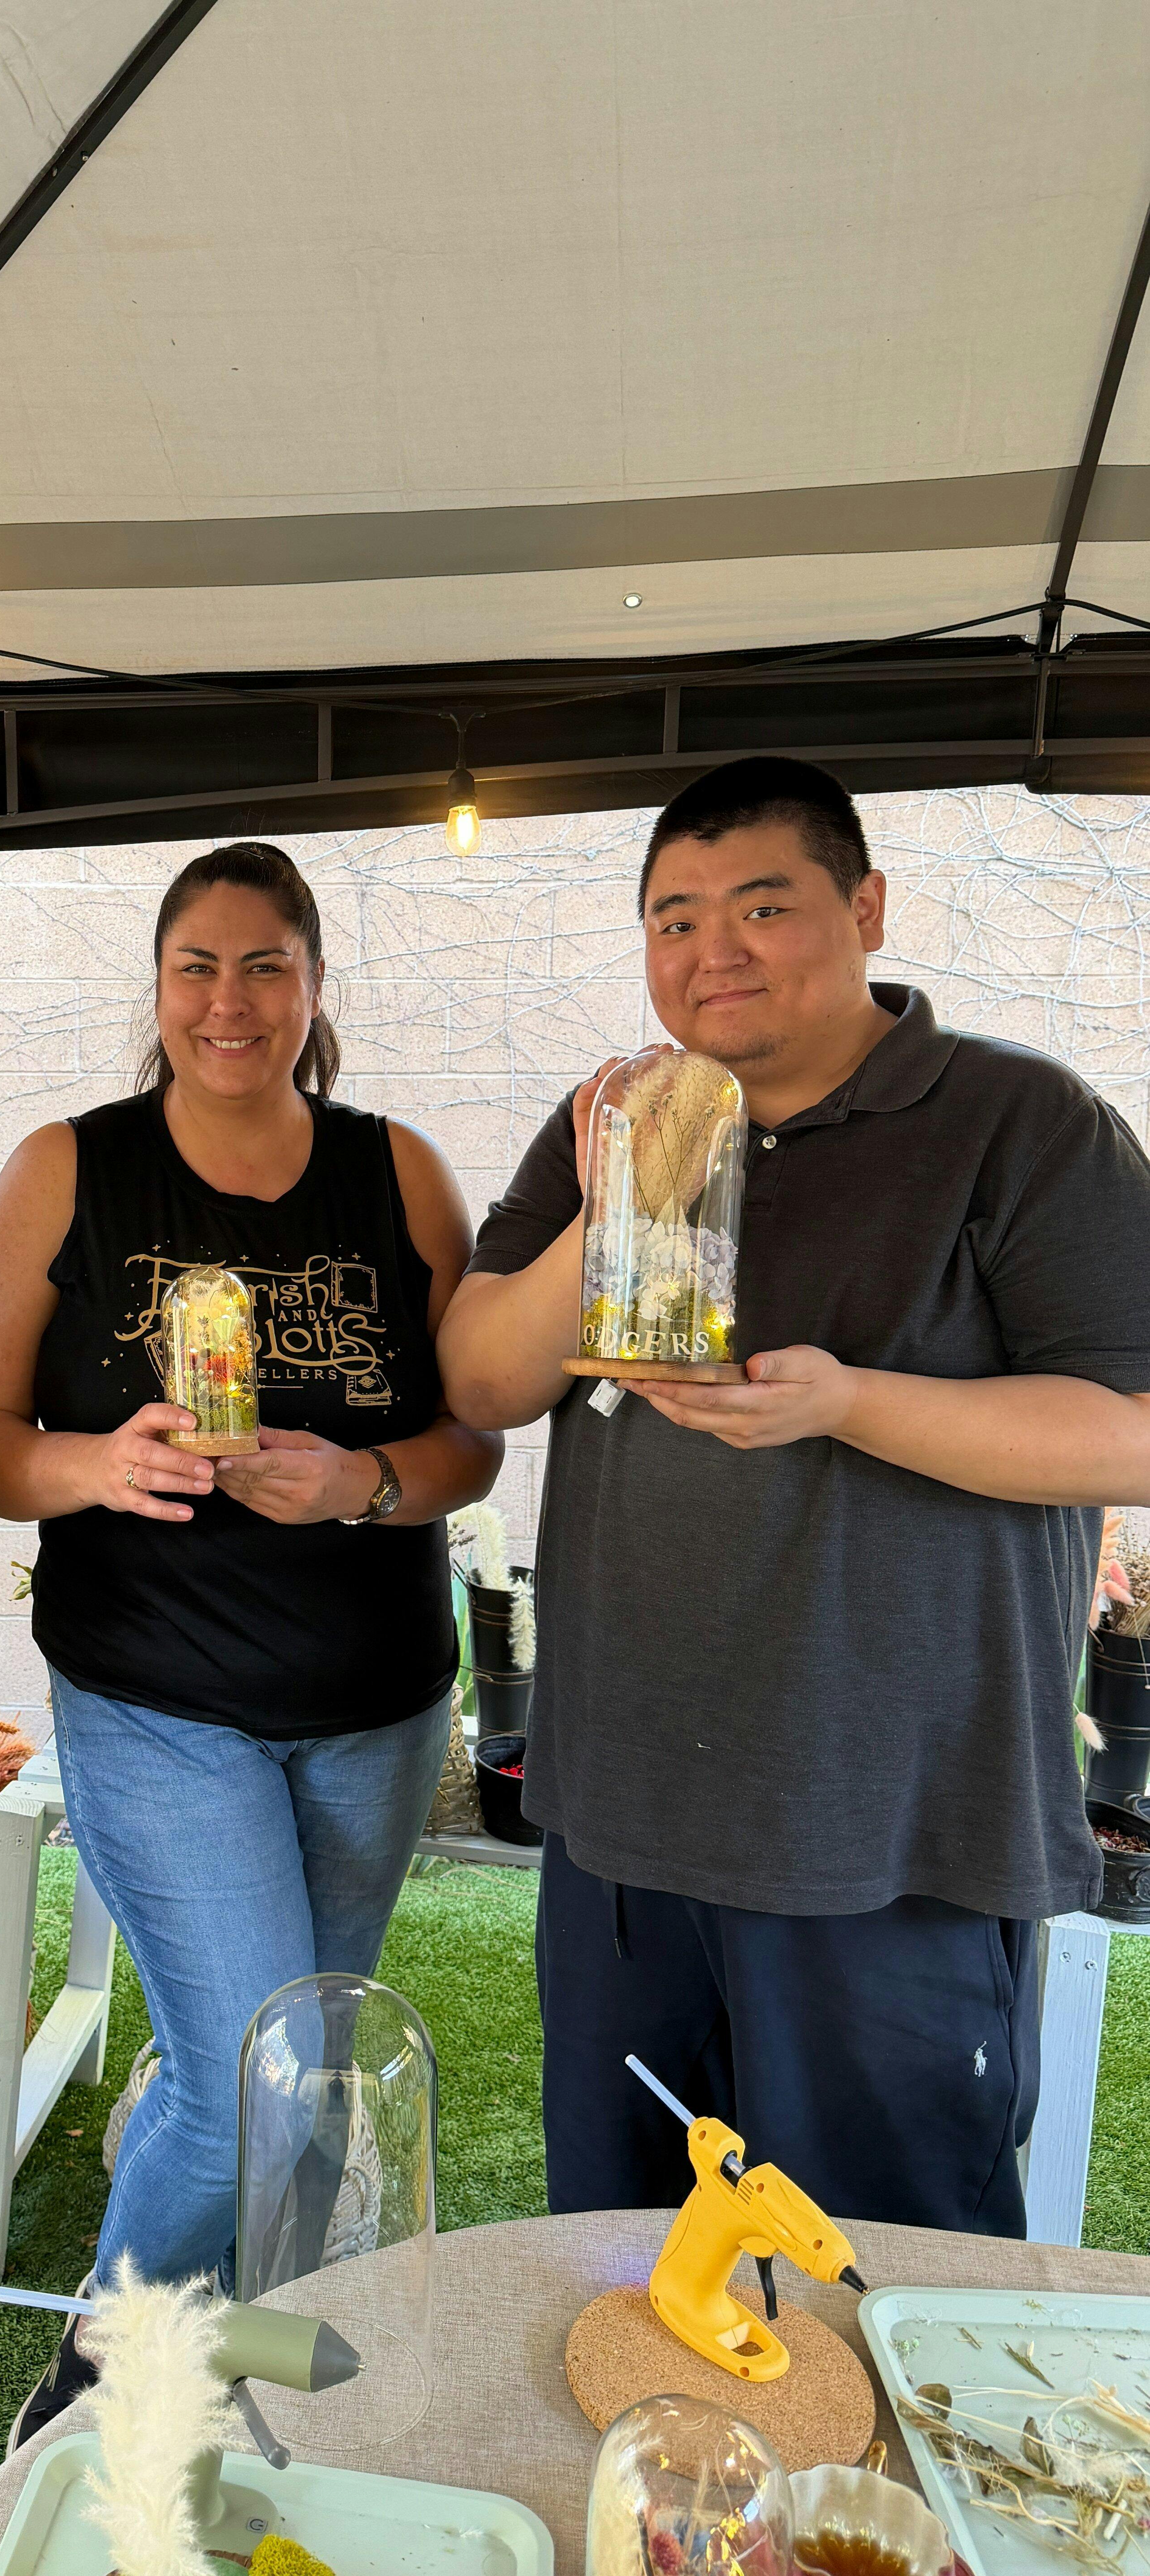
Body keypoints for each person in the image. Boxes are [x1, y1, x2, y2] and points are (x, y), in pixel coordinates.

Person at [438, 755, 1150, 2237]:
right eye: (674, 920)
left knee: (872, 2272)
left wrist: (846, 1404)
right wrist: (613, 1193)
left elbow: (1130, 1435)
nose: (714, 952)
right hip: (625, 1813)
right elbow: (484, 1378)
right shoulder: (612, 1119)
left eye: (762, 908)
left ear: (865, 909)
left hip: (888, 1831)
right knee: (625, 2258)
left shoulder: (1017, 1121)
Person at [0, 841, 500, 2437]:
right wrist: (93, 1466)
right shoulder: (69, 1169)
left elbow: (472, 1444)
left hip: (374, 1703)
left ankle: (256, 2356)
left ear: (314, 988)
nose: (229, 1000)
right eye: (198, 966)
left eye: (266, 966)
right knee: (241, 2067)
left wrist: (360, 1483)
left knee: (312, 2070)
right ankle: (98, 2386)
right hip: (158, 1698)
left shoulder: (399, 1174)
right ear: (159, 985)